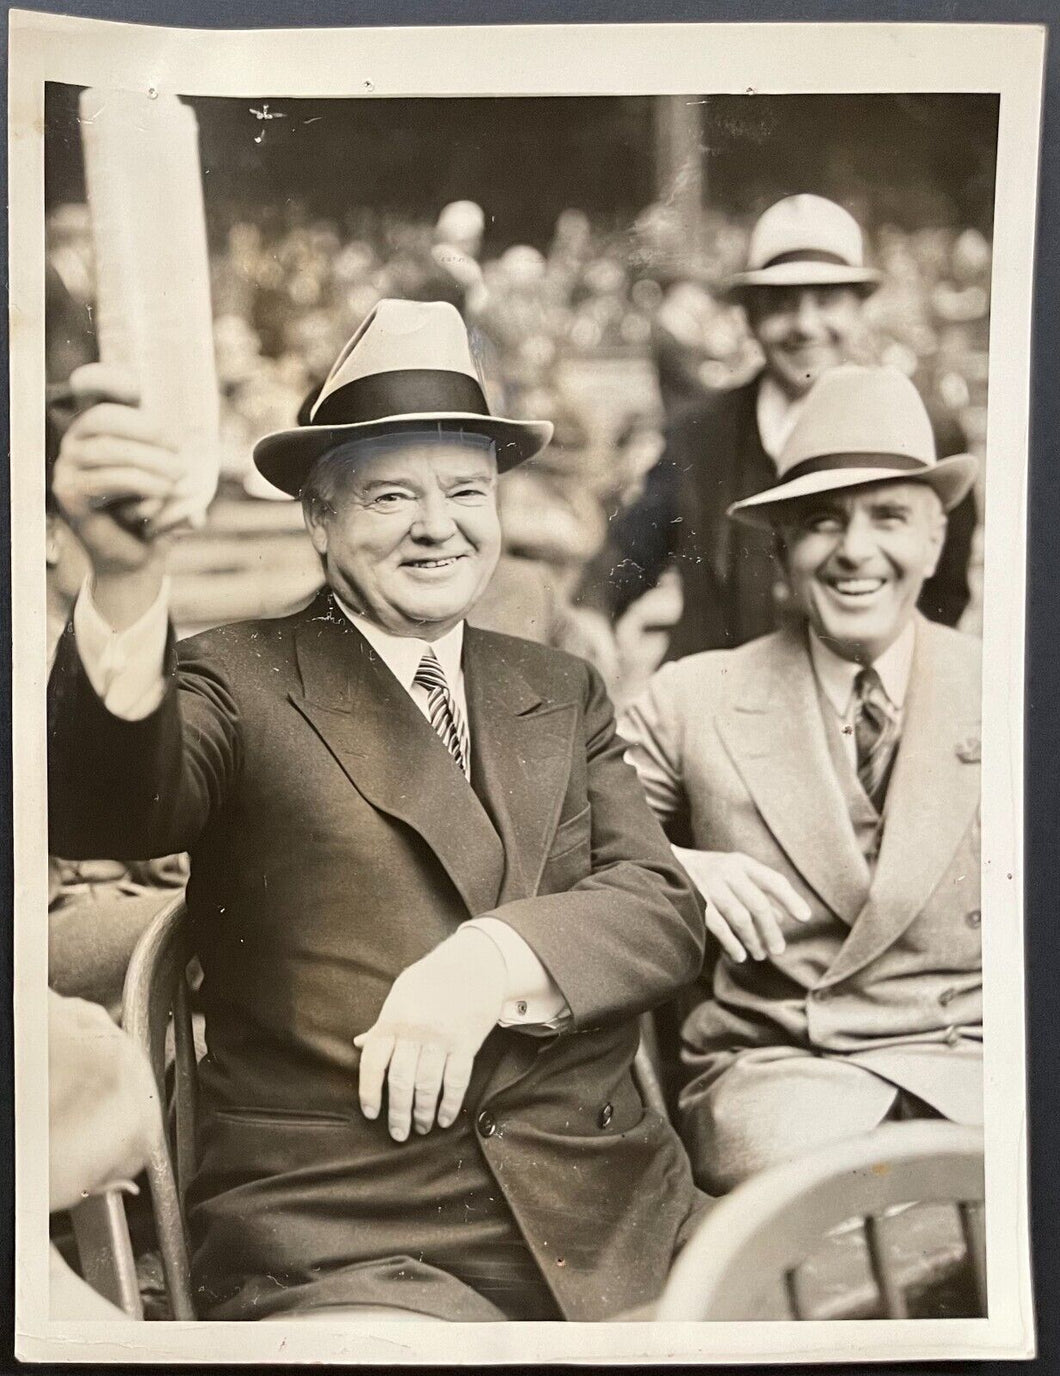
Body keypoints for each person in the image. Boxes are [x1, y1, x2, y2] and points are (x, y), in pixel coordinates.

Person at [48, 298, 707, 1321]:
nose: (438, 524)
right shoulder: (235, 675)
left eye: (466, 490)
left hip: (618, 1218)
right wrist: (130, 580)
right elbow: (106, 809)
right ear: (317, 516)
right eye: (391, 494)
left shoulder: (558, 684)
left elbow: (660, 902)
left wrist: (490, 960)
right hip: (353, 1239)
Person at [619, 365, 983, 1194]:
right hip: (781, 1082)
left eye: (890, 517)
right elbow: (564, 841)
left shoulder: (1011, 697)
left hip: (971, 1073)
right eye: (823, 522)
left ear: (934, 539)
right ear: (783, 548)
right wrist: (675, 864)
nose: (856, 552)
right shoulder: (695, 698)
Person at [627, 195, 977, 659]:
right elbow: (626, 556)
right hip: (718, 709)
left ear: (859, 311)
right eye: (782, 305)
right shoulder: (698, 433)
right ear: (750, 318)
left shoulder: (926, 430)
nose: (806, 325)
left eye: (827, 301)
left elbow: (945, 591)